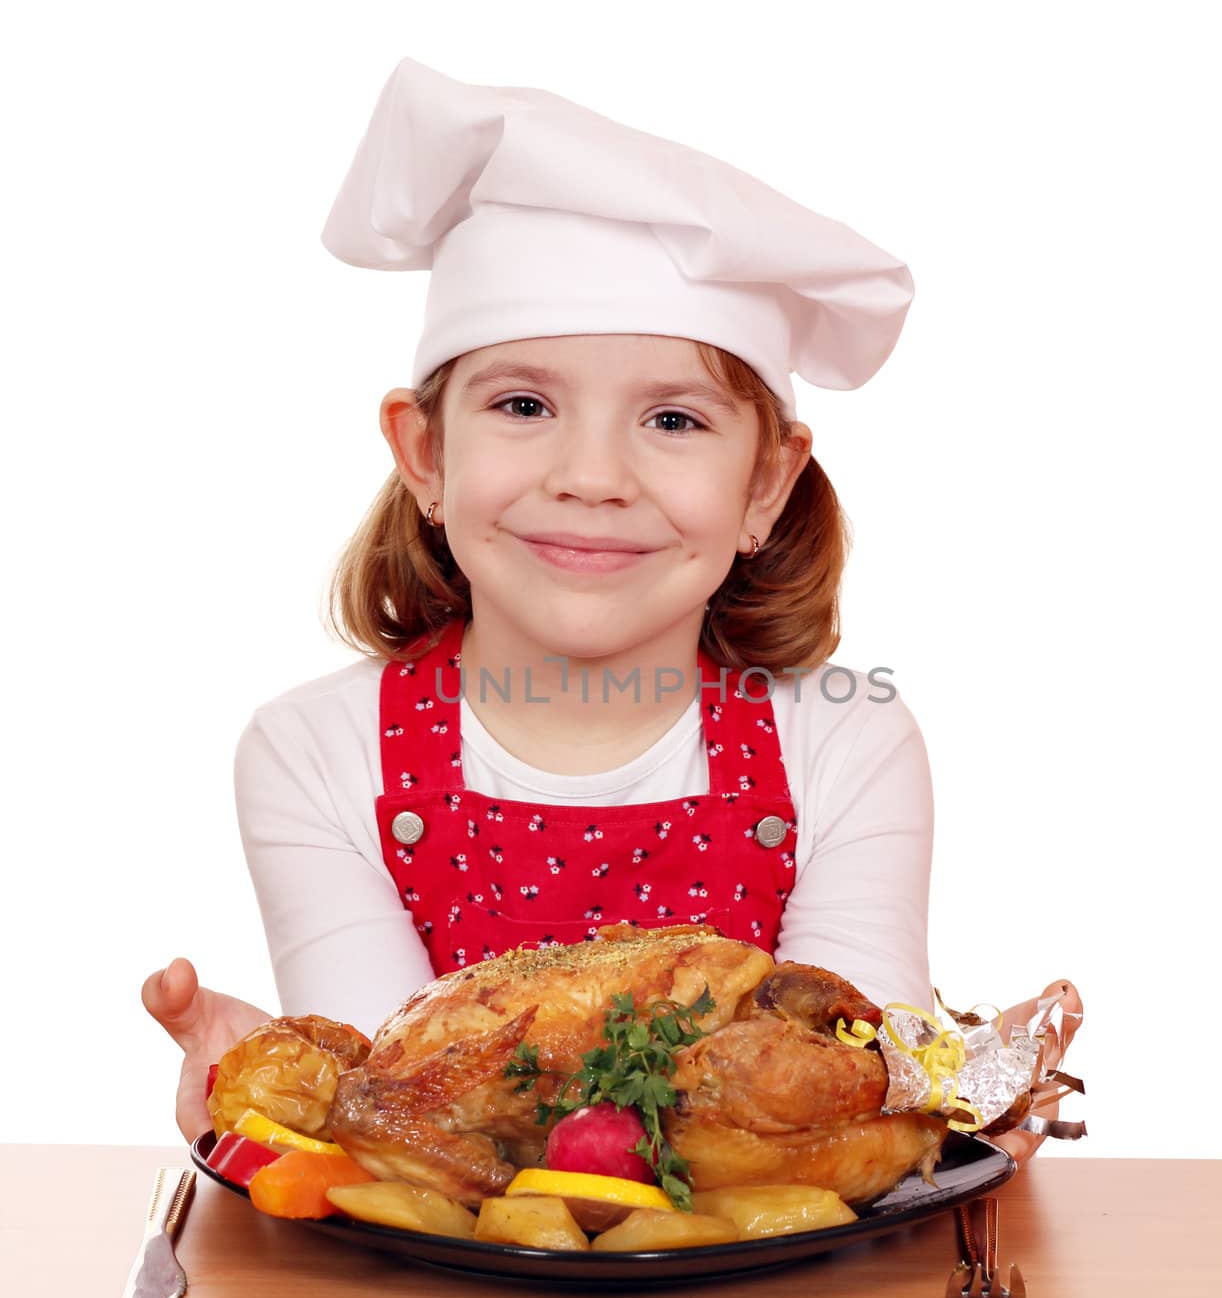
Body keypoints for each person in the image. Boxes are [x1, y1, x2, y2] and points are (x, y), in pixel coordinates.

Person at [143, 58, 1077, 1159]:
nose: (592, 476)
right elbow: (392, 1110)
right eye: (524, 404)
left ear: (765, 485)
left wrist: (955, 1092)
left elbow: (844, 1077)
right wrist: (289, 1087)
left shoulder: (845, 739)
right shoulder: (316, 752)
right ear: (425, 453)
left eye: (674, 421)